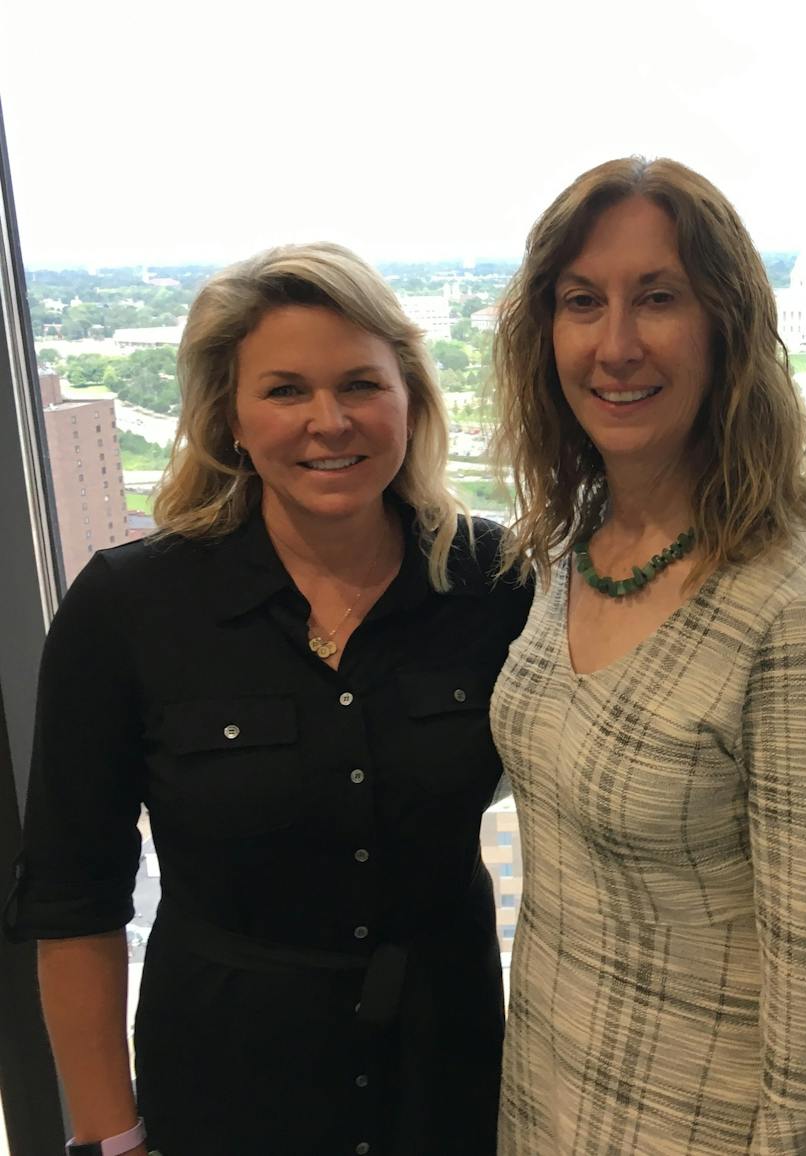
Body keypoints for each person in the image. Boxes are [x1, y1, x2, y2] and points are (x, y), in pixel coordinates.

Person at [8, 242, 530, 1155]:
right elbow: (74, 901)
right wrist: (112, 1140)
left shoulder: (496, 586)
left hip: (449, 1082)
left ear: (410, 399)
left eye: (361, 385)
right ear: (231, 420)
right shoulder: (130, 608)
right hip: (226, 1094)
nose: (329, 421)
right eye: (285, 390)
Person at [488, 157, 806, 1154]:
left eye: (657, 298)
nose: (614, 344)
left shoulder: (802, 614)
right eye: (583, 301)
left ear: (726, 327)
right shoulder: (569, 540)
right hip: (541, 1094)